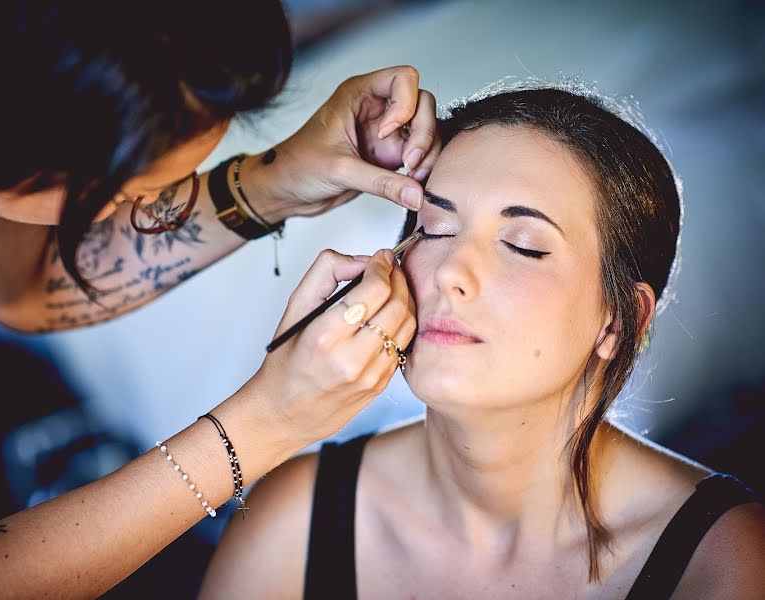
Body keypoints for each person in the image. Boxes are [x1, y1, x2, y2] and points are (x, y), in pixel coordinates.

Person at [0, 2, 442, 597]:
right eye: (120, 197)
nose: (150, 211)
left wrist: (277, 178)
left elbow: (16, 282)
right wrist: (272, 418)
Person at [201, 84, 765, 599]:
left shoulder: (725, 560)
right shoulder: (295, 519)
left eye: (522, 245)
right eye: (437, 229)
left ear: (618, 321)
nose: (451, 272)